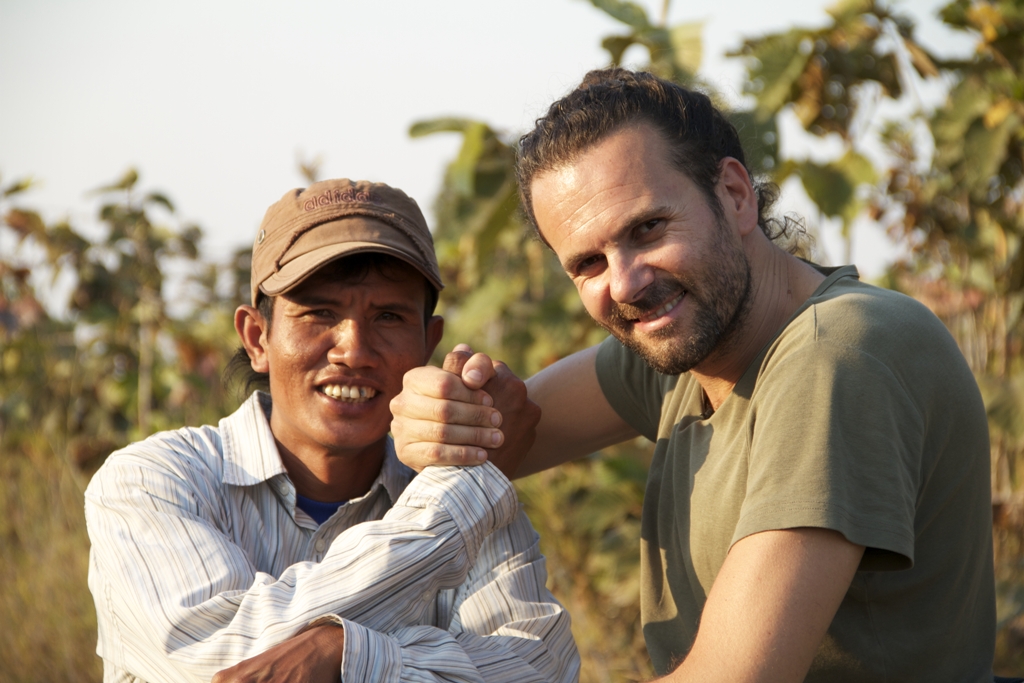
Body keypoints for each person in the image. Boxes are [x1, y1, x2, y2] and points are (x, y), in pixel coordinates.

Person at [390, 68, 1002, 682]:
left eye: (649, 228)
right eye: (588, 263)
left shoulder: (835, 354)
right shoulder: (690, 343)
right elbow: (507, 434)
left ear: (735, 195)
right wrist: (439, 412)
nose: (626, 282)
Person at [84, 178, 579, 683]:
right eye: (319, 313)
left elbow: (538, 666)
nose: (354, 350)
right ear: (258, 338)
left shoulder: (461, 488)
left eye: (388, 316)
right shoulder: (151, 481)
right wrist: (469, 490)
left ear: (428, 345)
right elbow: (223, 660)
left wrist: (339, 650)